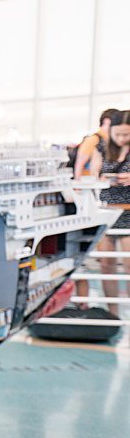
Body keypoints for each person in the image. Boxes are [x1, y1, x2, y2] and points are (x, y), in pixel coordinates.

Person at [88, 109, 130, 317]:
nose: (122, 138)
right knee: (106, 265)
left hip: (129, 213)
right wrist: (102, 179)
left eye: (127, 134)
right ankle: (112, 313)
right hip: (107, 212)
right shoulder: (101, 148)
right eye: (118, 134)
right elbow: (93, 173)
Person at [74, 108, 120, 179]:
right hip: (88, 183)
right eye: (106, 124)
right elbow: (79, 165)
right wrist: (77, 188)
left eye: (111, 125)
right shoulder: (93, 139)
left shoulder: (115, 140)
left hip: (104, 183)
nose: (107, 128)